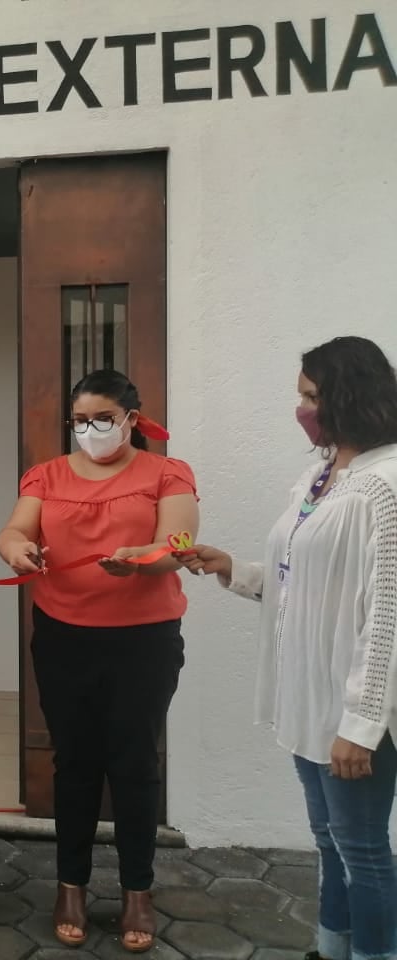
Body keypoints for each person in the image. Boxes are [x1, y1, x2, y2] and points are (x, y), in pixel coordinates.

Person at [179, 336, 397, 960]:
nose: (299, 409)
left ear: (348, 396)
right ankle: (332, 947)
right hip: (307, 701)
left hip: (350, 714)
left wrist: (360, 724)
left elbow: (387, 614)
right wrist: (236, 570)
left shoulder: (383, 486)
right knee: (329, 841)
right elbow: (298, 576)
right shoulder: (323, 475)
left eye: (309, 396)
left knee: (363, 852)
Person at [0, 369, 198, 953]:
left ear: (132, 421)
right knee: (76, 762)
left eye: (103, 419)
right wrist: (18, 551)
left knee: (133, 761)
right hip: (63, 639)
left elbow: (180, 543)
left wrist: (146, 558)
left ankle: (138, 891)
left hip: (145, 641)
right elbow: (13, 531)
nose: (91, 430)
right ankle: (71, 887)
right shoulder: (47, 474)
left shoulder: (167, 472)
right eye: (81, 420)